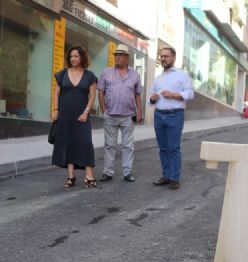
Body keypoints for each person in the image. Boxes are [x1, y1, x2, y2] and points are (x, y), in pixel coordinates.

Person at [52, 45, 98, 188]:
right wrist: (55, 110)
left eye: (76, 56)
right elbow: (56, 94)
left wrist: (86, 112)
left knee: (85, 143)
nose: (73, 59)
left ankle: (89, 176)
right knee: (68, 143)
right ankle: (71, 176)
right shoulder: (63, 74)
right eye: (71, 56)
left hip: (81, 115)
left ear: (82, 57)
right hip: (65, 115)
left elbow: (92, 96)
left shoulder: (89, 75)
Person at [97, 44, 143, 183]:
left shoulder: (134, 74)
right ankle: (108, 172)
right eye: (116, 54)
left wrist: (139, 112)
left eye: (120, 54)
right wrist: (104, 110)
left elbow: (137, 94)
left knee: (128, 146)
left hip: (128, 116)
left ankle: (127, 172)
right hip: (110, 115)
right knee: (109, 145)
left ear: (127, 57)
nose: (117, 56)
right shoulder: (106, 72)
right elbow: (100, 92)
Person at [149, 47, 194, 190]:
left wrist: (174, 95)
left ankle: (174, 178)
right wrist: (153, 98)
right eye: (161, 56)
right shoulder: (157, 79)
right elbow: (150, 100)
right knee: (163, 148)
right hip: (159, 115)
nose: (163, 59)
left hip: (175, 115)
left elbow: (190, 93)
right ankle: (166, 176)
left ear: (173, 58)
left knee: (173, 148)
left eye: (166, 56)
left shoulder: (182, 75)